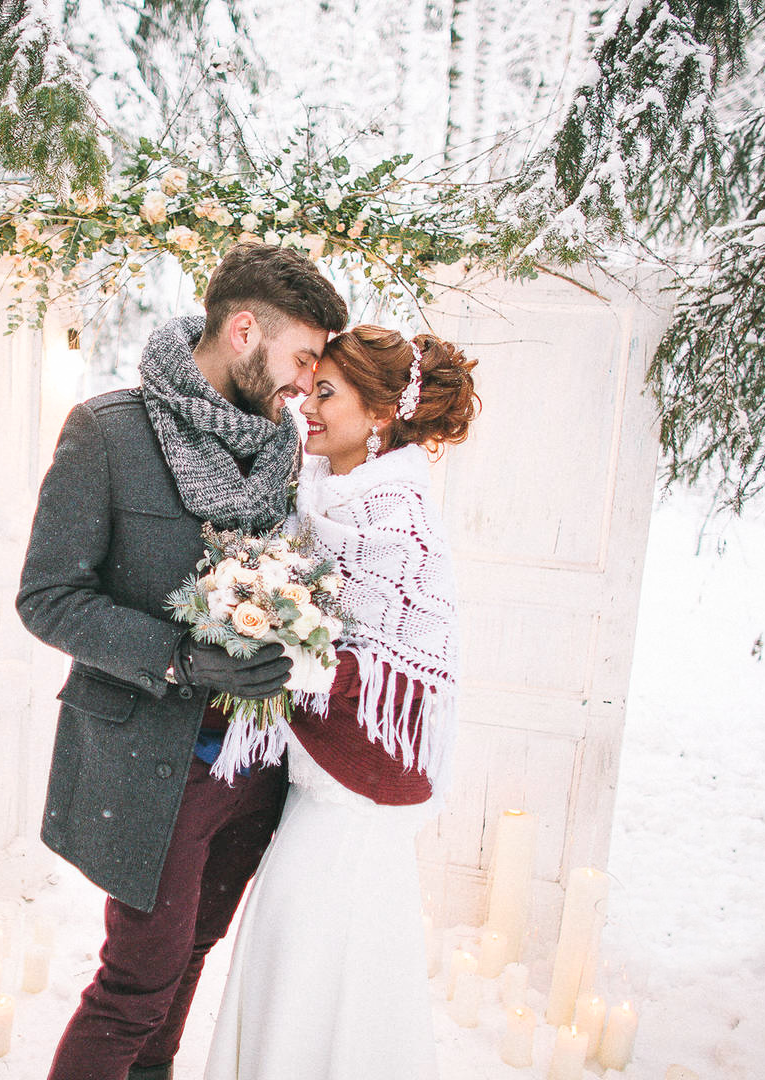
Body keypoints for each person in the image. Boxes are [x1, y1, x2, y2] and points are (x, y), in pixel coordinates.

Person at [16, 242, 349, 1080]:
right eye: (301, 358)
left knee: (191, 960)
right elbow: (47, 596)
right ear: (243, 330)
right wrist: (179, 657)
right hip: (150, 765)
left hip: (254, 766)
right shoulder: (107, 433)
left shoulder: (285, 453)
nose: (307, 385)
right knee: (135, 983)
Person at [203, 324, 479, 1080]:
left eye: (326, 394)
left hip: (356, 798)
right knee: (292, 956)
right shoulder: (323, 493)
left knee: (322, 967)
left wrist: (285, 654)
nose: (307, 408)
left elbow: (387, 656)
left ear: (381, 413)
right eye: (309, 390)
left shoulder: (398, 513)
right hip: (313, 783)